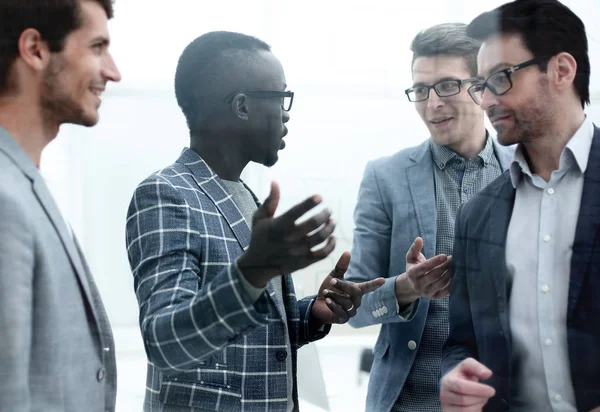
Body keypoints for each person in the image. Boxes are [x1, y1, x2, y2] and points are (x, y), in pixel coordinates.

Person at [125, 31, 384, 412]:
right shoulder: (166, 194)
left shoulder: (248, 197)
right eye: (281, 97)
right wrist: (253, 270)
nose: (287, 113)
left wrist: (314, 312)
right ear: (242, 106)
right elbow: (166, 342)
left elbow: (252, 333)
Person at [345, 23, 513, 412]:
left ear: (481, 87)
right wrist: (406, 288)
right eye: (420, 89)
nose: (432, 103)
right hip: (408, 401)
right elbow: (352, 306)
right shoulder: (384, 177)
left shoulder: (523, 172)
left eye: (447, 85)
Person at [441, 1, 600, 411]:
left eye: (501, 77)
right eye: (481, 85)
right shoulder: (477, 214)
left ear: (562, 71)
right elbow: (462, 340)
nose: (486, 100)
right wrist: (456, 377)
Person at [0, 1, 121, 411]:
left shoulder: (24, 181)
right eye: (97, 47)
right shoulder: (5, 200)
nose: (113, 72)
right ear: (35, 49)